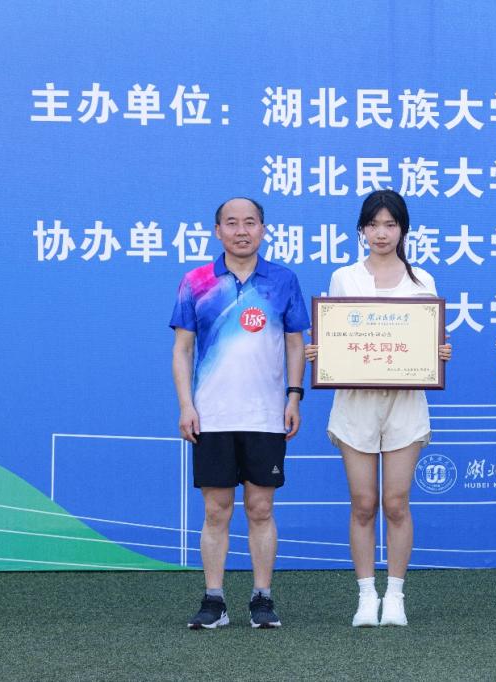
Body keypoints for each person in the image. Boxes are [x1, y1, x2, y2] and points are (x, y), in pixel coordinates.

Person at [305, 189, 452, 627]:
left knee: (397, 502)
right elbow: (334, 335)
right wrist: (321, 353)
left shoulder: (422, 282)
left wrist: (438, 353)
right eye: (373, 225)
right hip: (356, 403)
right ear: (362, 230)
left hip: (405, 402)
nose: (381, 233)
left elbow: (428, 342)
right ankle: (366, 595)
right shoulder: (344, 278)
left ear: (403, 230)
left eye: (390, 224)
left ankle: (396, 595)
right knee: (364, 502)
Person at [171, 197, 309, 629]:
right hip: (211, 415)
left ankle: (261, 598)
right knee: (216, 510)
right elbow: (182, 349)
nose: (241, 230)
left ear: (263, 229)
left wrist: (293, 396)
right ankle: (214, 600)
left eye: (250, 222)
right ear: (218, 231)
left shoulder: (283, 280)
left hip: (266, 415)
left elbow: (295, 343)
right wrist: (186, 405)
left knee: (261, 508)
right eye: (231, 223)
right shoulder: (196, 281)